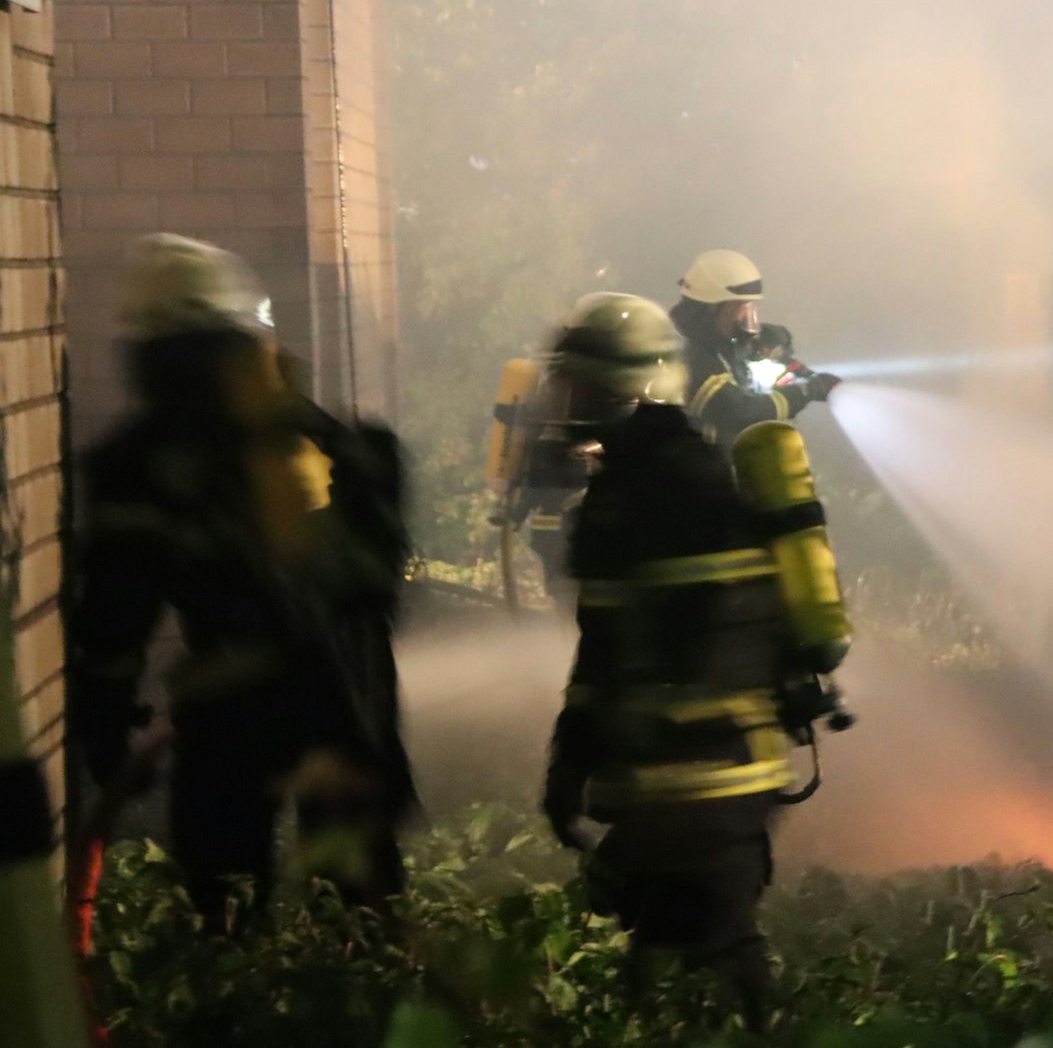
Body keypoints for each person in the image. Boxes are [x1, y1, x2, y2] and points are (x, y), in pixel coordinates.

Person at [68, 234, 415, 929]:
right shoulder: (313, 434)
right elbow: (377, 577)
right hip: (345, 700)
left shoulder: (137, 461)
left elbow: (117, 609)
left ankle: (233, 1001)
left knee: (222, 900)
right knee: (359, 906)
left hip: (231, 706)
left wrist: (105, 725)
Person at [540, 294, 852, 1029]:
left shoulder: (625, 503)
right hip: (741, 770)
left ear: (629, 389)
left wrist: (566, 771)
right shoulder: (709, 473)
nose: (569, 400)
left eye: (585, 385)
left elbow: (602, 659)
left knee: (667, 961)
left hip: (675, 777)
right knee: (719, 948)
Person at [490, 293, 656, 601]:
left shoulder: (571, 384)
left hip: (570, 528)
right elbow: (570, 456)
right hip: (572, 528)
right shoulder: (580, 394)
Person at [670, 249, 840, 448]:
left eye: (750, 308)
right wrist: (805, 391)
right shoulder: (685, 354)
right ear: (711, 309)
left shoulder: (713, 342)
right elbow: (738, 412)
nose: (745, 317)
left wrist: (774, 341)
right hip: (688, 471)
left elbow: (745, 371)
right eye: (739, 308)